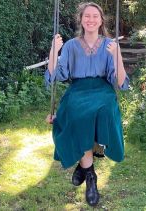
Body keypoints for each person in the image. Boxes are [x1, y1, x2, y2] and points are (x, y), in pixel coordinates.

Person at [45, 2, 129, 207]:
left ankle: (84, 168)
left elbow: (121, 83)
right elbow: (56, 75)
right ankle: (91, 177)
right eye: (87, 16)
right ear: (81, 20)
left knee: (106, 110)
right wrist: (53, 51)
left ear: (101, 21)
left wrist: (117, 55)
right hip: (78, 89)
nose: (91, 20)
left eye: (95, 16)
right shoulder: (72, 45)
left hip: (102, 89)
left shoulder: (110, 45)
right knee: (76, 114)